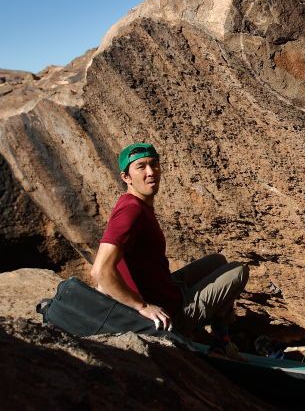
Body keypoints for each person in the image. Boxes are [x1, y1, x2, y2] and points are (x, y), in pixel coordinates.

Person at [90, 142, 249, 353]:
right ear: (126, 177)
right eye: (141, 167)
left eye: (154, 164)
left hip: (168, 289)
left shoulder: (137, 205)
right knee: (239, 271)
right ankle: (220, 342)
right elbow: (100, 271)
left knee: (218, 261)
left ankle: (221, 337)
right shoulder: (131, 212)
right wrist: (142, 307)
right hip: (170, 313)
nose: (150, 172)